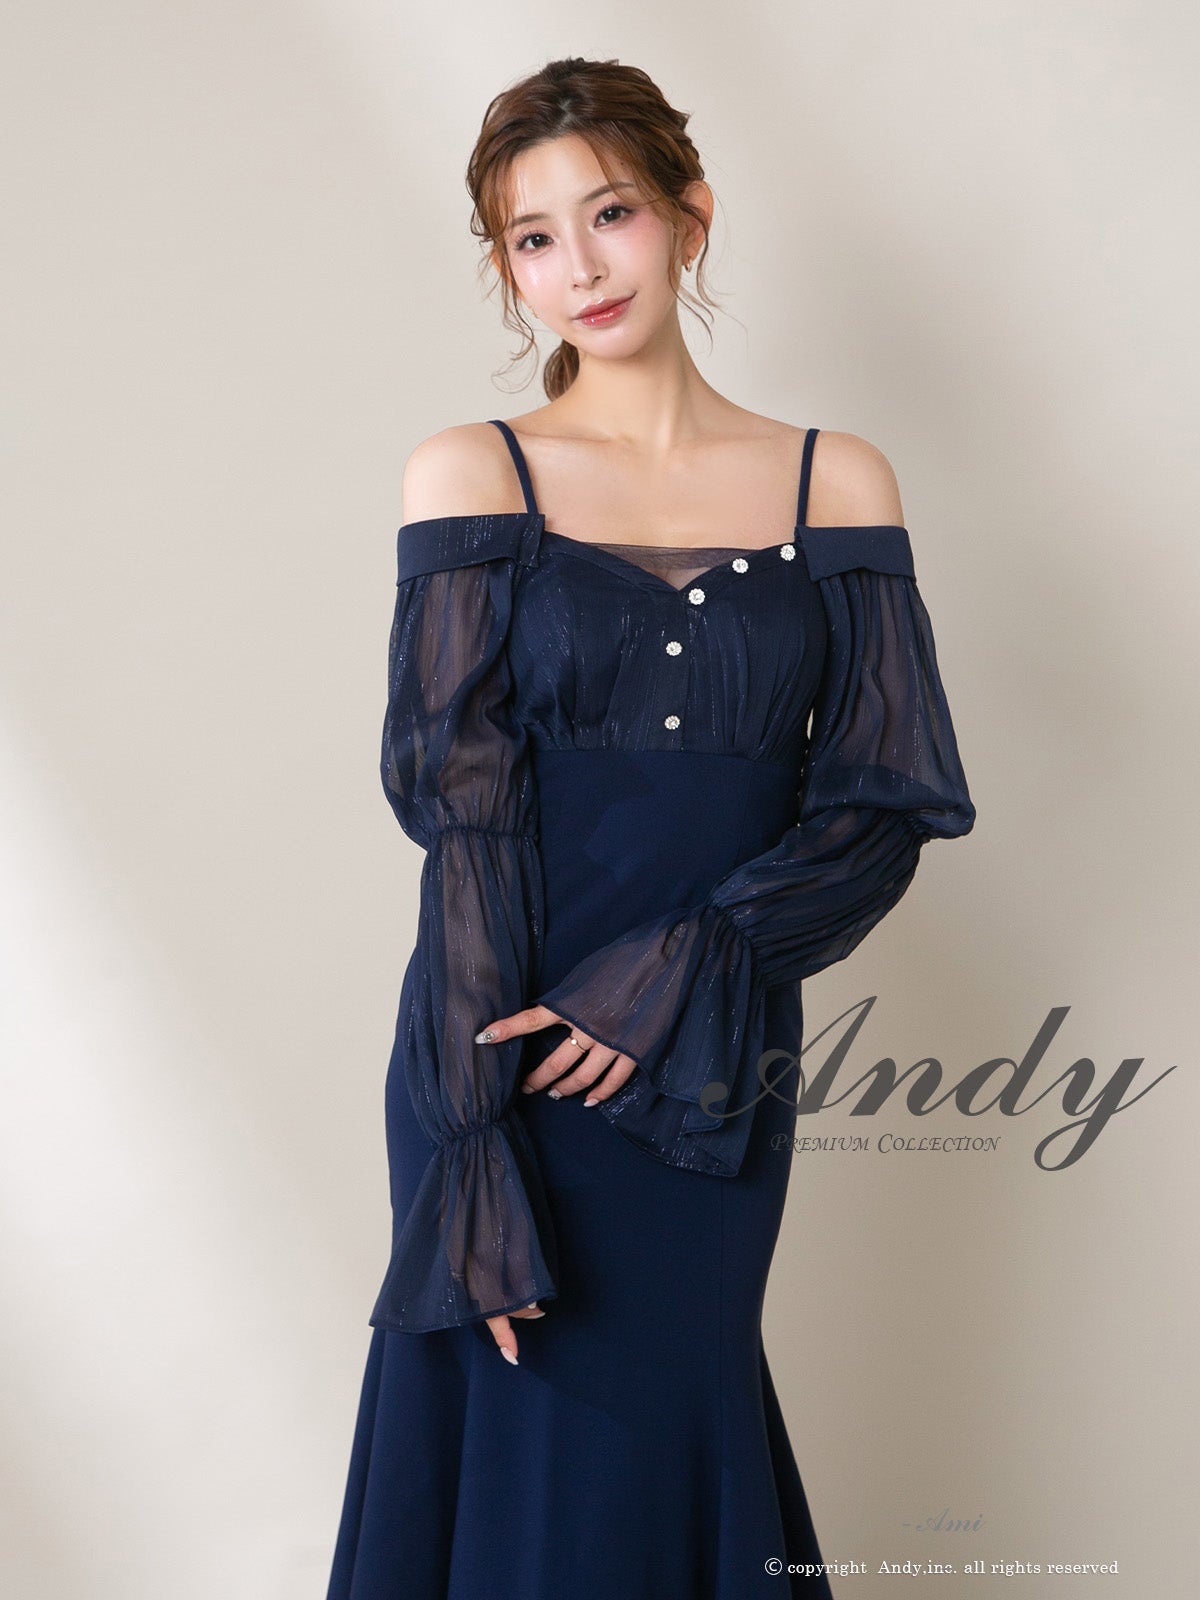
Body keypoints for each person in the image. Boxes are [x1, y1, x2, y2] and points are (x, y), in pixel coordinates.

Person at [325, 55, 975, 1600]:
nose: (582, 264)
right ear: (507, 268)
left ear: (690, 213)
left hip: (710, 1052)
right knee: (526, 1435)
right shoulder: (470, 474)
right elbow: (462, 825)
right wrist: (471, 1150)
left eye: (609, 213)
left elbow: (883, 800)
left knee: (667, 1418)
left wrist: (684, 968)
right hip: (504, 1054)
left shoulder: (835, 482)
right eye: (533, 236)